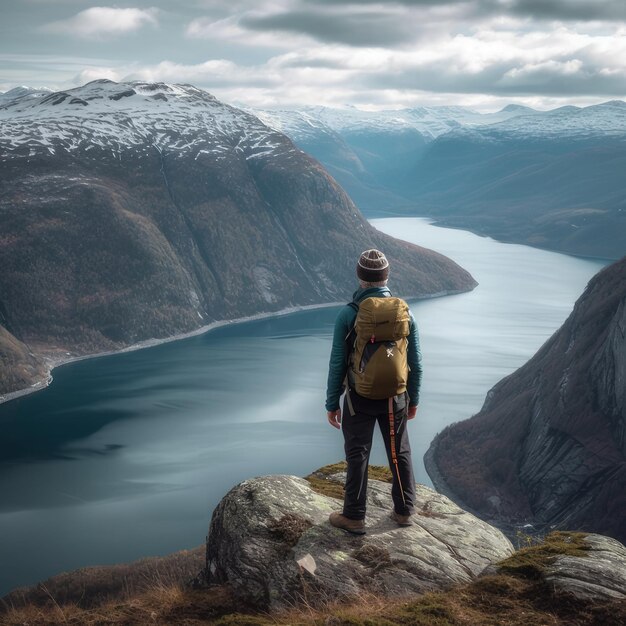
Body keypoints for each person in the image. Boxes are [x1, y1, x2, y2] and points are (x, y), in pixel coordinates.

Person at [325, 249, 422, 534]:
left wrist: (332, 402)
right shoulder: (405, 312)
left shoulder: (349, 314)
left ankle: (354, 516)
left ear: (360, 277)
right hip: (396, 398)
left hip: (359, 399)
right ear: (386, 277)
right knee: (399, 451)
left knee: (358, 453)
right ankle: (404, 512)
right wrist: (413, 398)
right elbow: (415, 361)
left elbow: (337, 362)